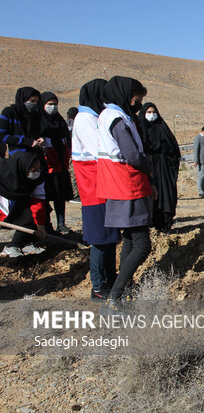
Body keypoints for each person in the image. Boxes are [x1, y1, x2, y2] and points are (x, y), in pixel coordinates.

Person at [97, 76, 154, 306]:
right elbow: (131, 155)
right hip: (127, 185)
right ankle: (115, 297)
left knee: (130, 239)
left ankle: (124, 289)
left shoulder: (109, 116)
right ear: (125, 93)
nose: (139, 100)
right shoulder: (117, 118)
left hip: (119, 185)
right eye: (138, 95)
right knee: (142, 244)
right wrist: (151, 167)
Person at [72, 79, 121, 300]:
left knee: (109, 238)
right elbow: (100, 149)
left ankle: (110, 280)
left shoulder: (92, 118)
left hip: (101, 186)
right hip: (94, 188)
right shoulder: (86, 119)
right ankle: (99, 286)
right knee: (100, 239)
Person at [138, 103, 181, 232]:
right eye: (149, 112)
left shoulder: (162, 128)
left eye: (154, 112)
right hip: (147, 167)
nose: (152, 115)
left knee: (166, 193)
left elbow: (173, 149)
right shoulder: (140, 129)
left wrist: (164, 153)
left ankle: (165, 223)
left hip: (164, 169)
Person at [38, 92, 74, 234]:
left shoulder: (60, 122)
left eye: (55, 104)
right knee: (45, 196)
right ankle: (47, 224)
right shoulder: (39, 122)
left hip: (61, 164)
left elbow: (67, 139)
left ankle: (61, 223)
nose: (53, 107)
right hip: (47, 166)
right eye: (50, 104)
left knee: (60, 196)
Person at [0, 152, 47, 257]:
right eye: (33, 171)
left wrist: (41, 225)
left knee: (34, 213)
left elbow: (38, 201)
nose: (36, 173)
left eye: (38, 170)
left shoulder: (38, 179)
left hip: (17, 202)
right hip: (3, 200)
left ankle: (20, 244)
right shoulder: (3, 171)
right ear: (22, 168)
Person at [0, 87, 45, 158]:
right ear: (23, 99)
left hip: (36, 156)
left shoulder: (35, 115)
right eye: (32, 101)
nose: (34, 104)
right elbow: (2, 136)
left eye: (36, 102)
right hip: (18, 157)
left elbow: (39, 133)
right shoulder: (9, 113)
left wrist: (41, 139)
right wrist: (26, 141)